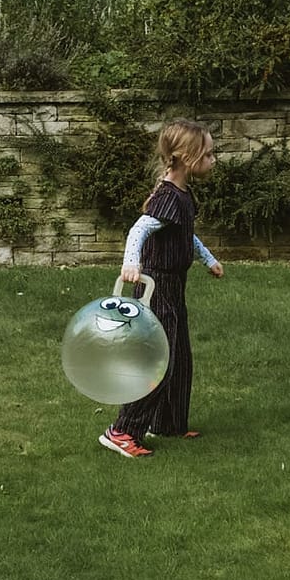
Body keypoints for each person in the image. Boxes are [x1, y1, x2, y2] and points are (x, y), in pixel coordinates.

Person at [98, 118, 225, 458]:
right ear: (186, 156)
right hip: (156, 287)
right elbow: (139, 231)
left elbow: (185, 233)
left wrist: (207, 258)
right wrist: (131, 262)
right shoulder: (168, 196)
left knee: (179, 358)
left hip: (175, 286)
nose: (213, 160)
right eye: (208, 154)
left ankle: (167, 422)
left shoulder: (182, 195)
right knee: (159, 360)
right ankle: (122, 430)